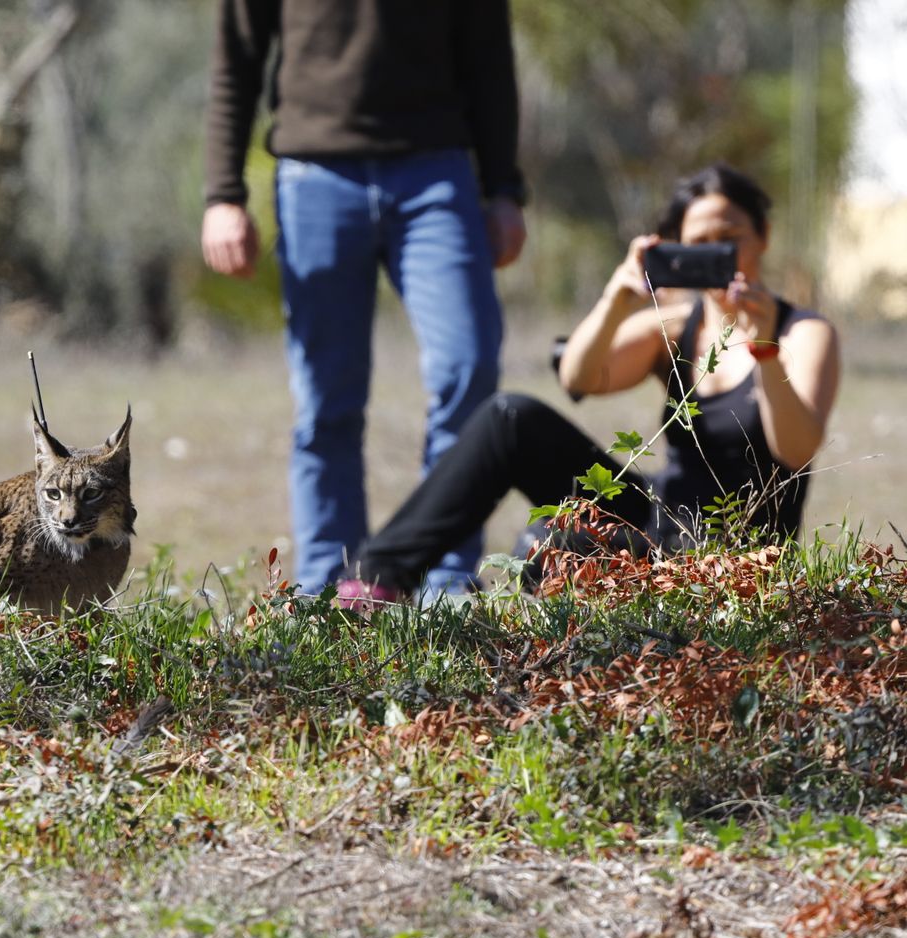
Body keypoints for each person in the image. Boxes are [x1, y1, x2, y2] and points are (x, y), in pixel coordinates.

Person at [340, 163, 842, 605]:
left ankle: (529, 625)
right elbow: (578, 376)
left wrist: (764, 346)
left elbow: (795, 451)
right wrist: (617, 300)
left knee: (556, 540)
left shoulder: (803, 332)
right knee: (510, 418)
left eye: (730, 239)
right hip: (659, 522)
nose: (717, 254)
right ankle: (374, 584)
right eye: (699, 244)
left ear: (764, 236)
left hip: (736, 556)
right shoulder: (673, 326)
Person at [201, 0, 529, 600]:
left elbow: (488, 57)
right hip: (315, 177)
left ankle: (444, 579)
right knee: (327, 396)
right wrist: (224, 194)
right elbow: (236, 60)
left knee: (469, 365)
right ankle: (328, 589)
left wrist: (504, 187)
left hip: (436, 175)